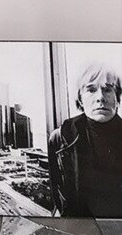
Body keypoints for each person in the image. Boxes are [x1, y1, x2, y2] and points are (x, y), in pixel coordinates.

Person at [48, 63, 122, 217]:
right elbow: (60, 199)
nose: (100, 98)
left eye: (108, 89)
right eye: (91, 90)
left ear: (118, 98)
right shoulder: (60, 138)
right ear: (80, 98)